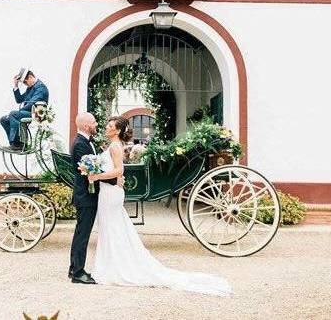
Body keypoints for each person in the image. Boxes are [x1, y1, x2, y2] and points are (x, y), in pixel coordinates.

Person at [88, 116, 232, 296]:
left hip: (110, 193)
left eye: (110, 126)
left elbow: (119, 171)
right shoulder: (112, 145)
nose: (106, 128)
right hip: (108, 192)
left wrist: (95, 176)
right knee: (112, 228)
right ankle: (110, 264)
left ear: (117, 131)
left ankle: (114, 267)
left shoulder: (116, 146)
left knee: (112, 228)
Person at [68, 112, 122, 284]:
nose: (96, 124)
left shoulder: (86, 142)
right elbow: (90, 172)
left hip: (89, 194)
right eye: (93, 122)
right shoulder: (80, 144)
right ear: (86, 126)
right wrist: (115, 179)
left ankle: (73, 267)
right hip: (86, 195)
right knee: (82, 234)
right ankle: (78, 272)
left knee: (81, 233)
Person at [0, 68, 49, 151]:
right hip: (29, 112)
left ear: (30, 77)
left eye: (25, 82)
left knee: (13, 114)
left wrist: (17, 113)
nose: (25, 84)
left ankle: (19, 144)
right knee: (4, 119)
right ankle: (14, 144)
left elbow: (32, 103)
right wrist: (16, 86)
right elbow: (19, 100)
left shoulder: (40, 87)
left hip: (37, 114)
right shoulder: (31, 88)